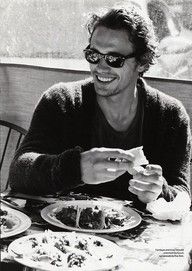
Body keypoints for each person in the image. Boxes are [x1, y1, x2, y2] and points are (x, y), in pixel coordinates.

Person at [8, 6, 191, 207]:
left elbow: (182, 195)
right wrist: (75, 168)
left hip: (137, 237)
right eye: (94, 55)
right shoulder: (61, 101)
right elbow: (19, 172)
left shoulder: (171, 115)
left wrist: (158, 190)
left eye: (114, 59)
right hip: (61, 233)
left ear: (141, 62)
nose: (101, 67)